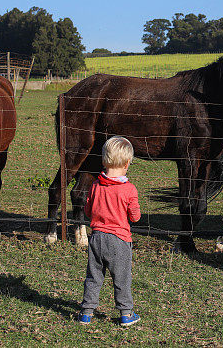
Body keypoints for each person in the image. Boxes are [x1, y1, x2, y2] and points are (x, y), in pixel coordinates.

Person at [77, 136, 142, 326]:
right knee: (121, 278)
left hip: (96, 238)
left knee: (94, 276)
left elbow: (88, 211)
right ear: (127, 163)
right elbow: (135, 217)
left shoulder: (95, 186)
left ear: (104, 160)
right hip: (119, 240)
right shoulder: (129, 189)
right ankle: (126, 313)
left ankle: (86, 312)